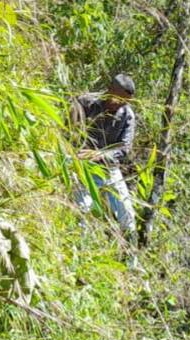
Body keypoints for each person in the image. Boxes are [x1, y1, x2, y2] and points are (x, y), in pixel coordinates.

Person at [71, 73, 137, 235]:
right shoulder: (85, 102)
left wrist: (100, 154)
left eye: (125, 102)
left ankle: (130, 248)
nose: (120, 104)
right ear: (110, 90)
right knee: (82, 211)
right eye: (118, 99)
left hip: (109, 168)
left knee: (128, 217)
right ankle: (78, 244)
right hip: (83, 166)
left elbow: (124, 148)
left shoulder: (127, 115)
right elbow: (69, 131)